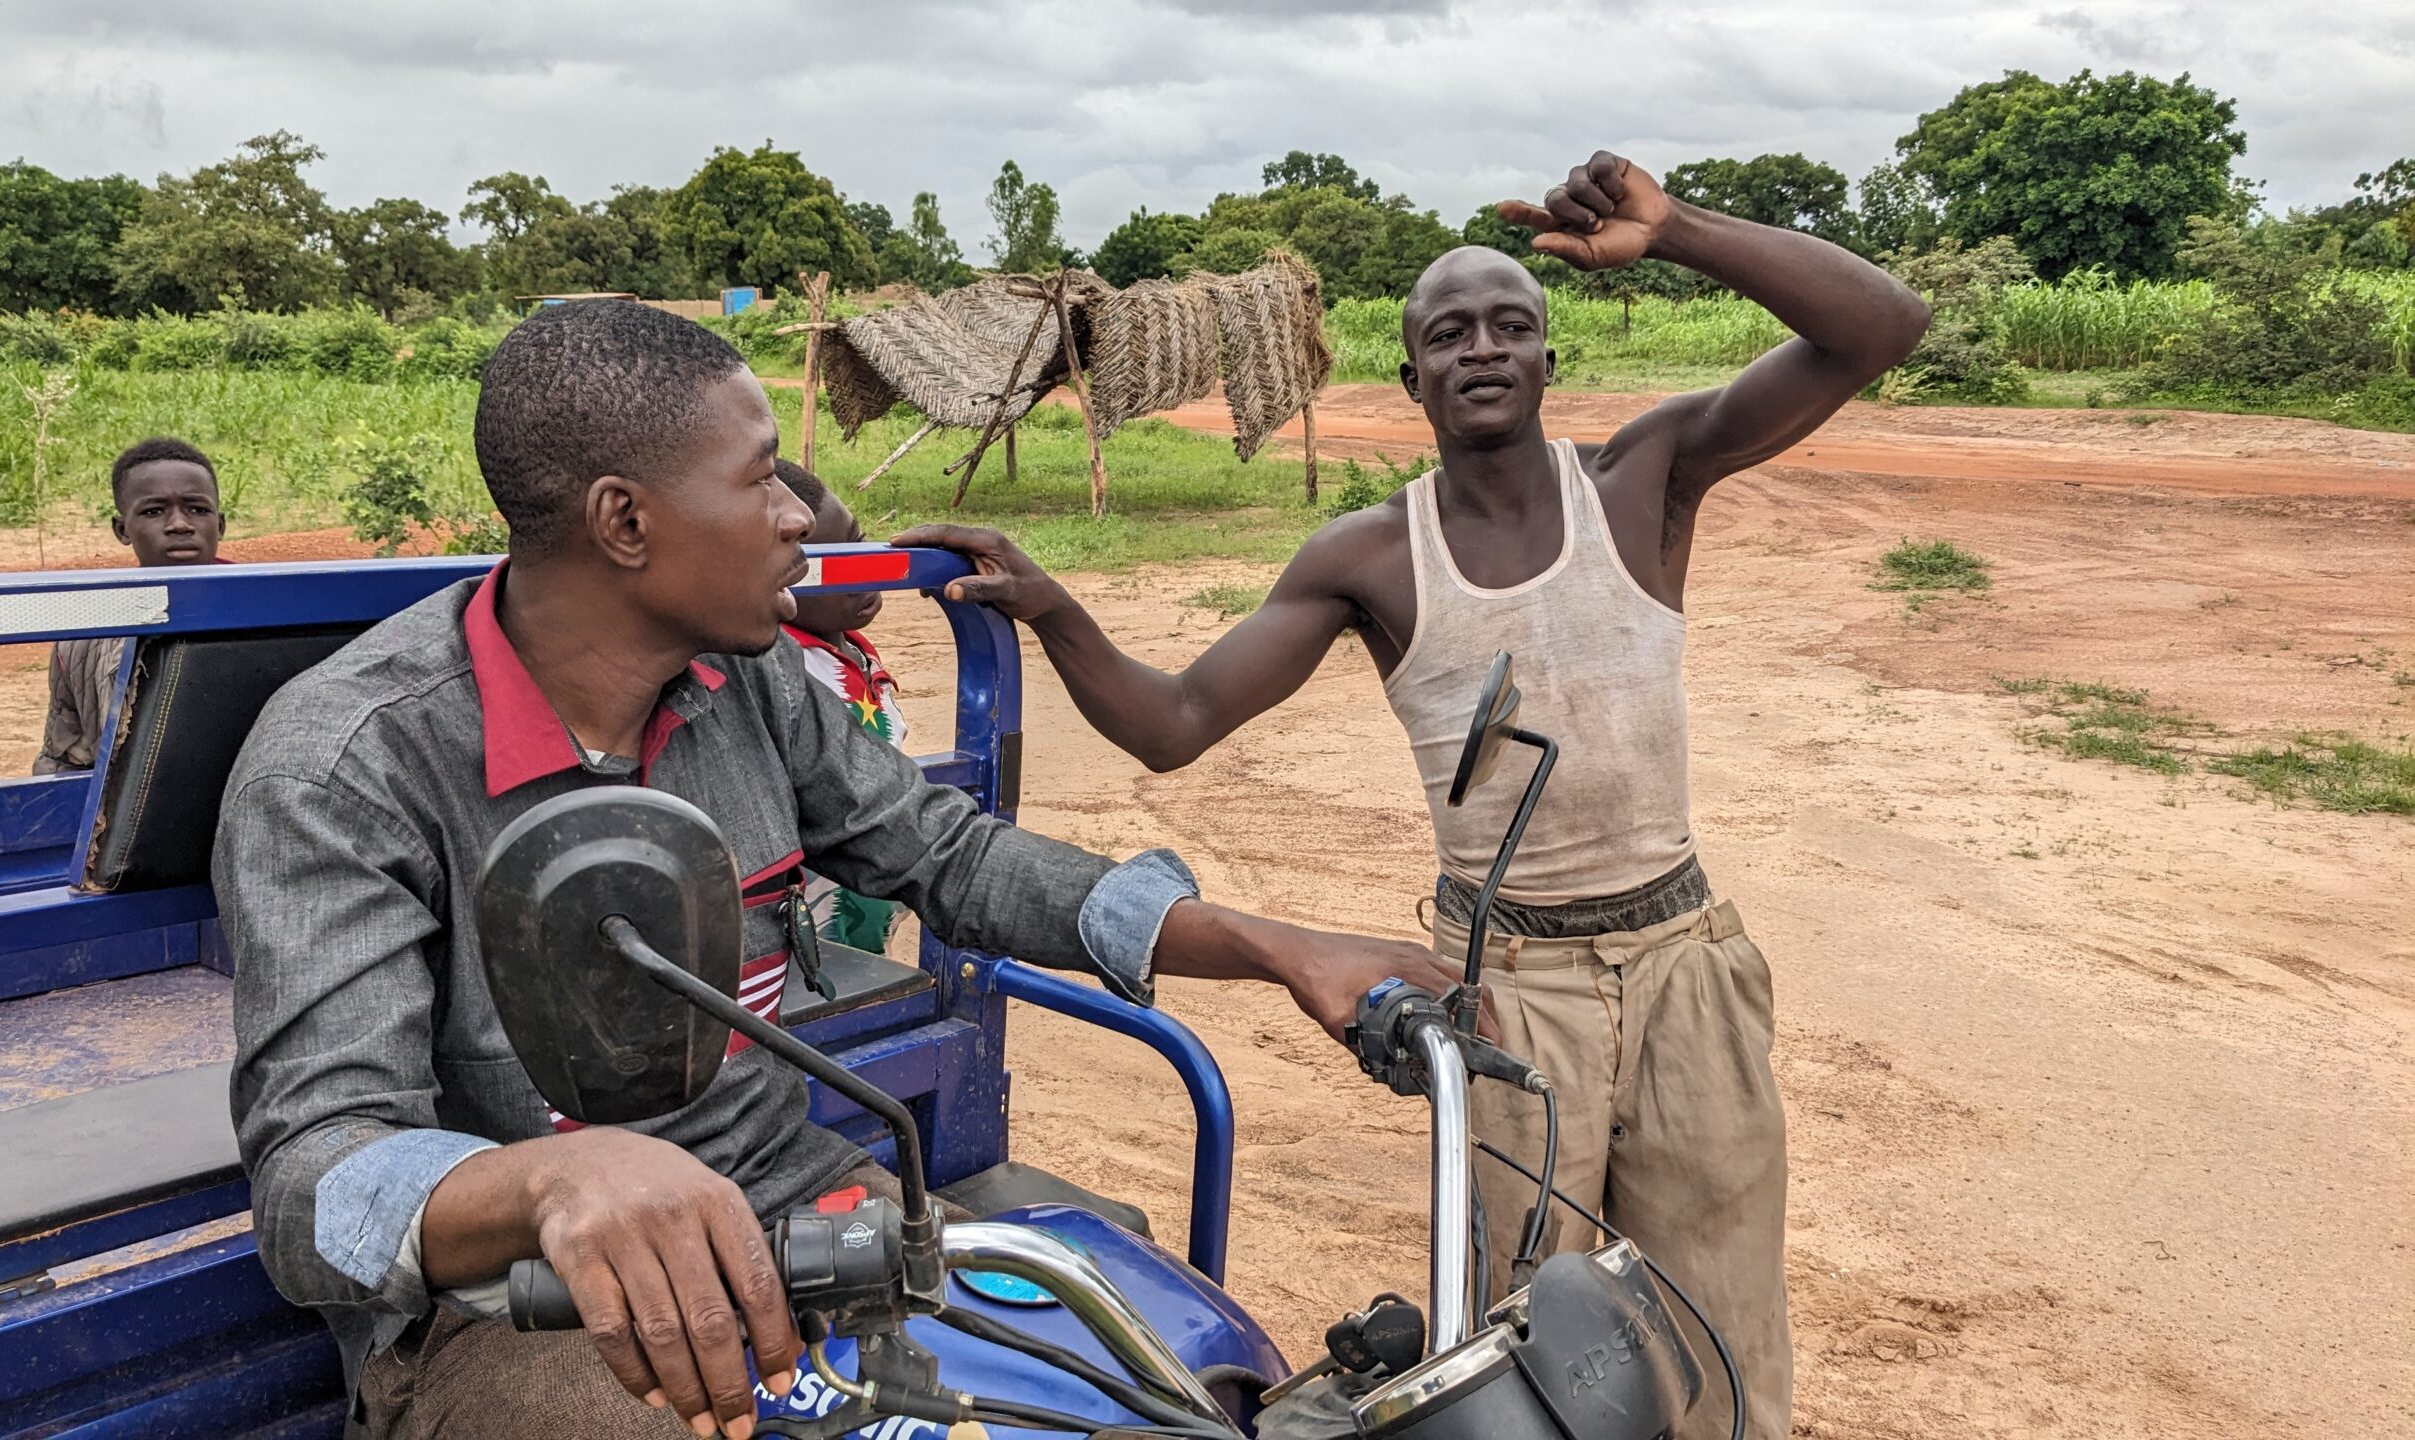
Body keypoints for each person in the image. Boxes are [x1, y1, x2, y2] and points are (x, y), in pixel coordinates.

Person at [213, 300, 1471, 1440]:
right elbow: (314, 1175)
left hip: (802, 1207)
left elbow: (950, 855)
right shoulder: (343, 771)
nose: (799, 516)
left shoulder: (748, 681)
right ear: (625, 521)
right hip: (528, 1312)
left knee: (1148, 1381)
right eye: (762, 479)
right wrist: (550, 1178)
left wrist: (1267, 944)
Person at [901, 151, 1932, 1439]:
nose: (1483, 349)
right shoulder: (1373, 556)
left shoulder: (1643, 479)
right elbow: (1172, 724)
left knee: (1721, 1324)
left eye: (1512, 326)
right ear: (1413, 377)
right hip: (1507, 987)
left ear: (1548, 359)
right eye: (1449, 334)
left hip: (1684, 957)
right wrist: (1058, 612)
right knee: (1538, 1342)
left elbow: (1882, 326)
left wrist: (1676, 233)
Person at [772, 458, 906, 953]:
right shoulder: (780, 665)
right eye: (826, 561)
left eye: (858, 539)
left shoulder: (851, 649)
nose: (861, 572)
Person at [33, 437, 229, 774]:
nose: (180, 524)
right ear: (123, 530)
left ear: (220, 525)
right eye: (154, 511)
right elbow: (64, 756)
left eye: (197, 509)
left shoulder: (276, 615)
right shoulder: (85, 633)